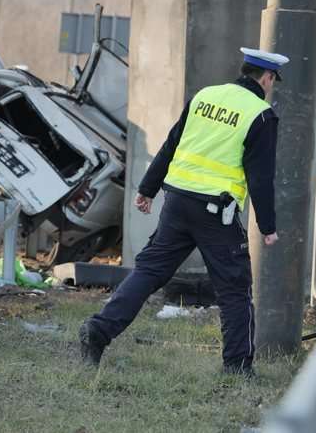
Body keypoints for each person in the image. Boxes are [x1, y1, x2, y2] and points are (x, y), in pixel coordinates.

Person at [78, 47, 290, 377]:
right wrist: (268, 225)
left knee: (148, 273)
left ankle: (98, 331)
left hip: (176, 202)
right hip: (215, 212)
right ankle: (237, 368)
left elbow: (171, 142)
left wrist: (147, 189)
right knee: (234, 289)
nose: (271, 86)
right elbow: (260, 176)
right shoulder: (260, 114)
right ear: (266, 77)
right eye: (273, 81)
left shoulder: (205, 96)